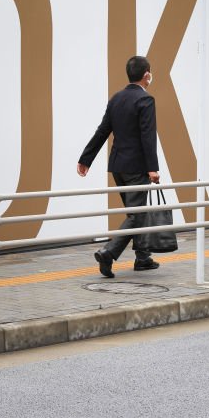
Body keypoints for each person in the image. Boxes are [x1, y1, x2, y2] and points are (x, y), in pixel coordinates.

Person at [77, 55, 161, 277]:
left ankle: (143, 258)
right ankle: (108, 253)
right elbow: (148, 136)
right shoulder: (146, 100)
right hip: (136, 169)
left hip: (117, 167)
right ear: (147, 75)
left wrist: (85, 159)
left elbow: (102, 131)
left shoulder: (116, 99)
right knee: (135, 216)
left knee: (137, 213)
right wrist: (152, 168)